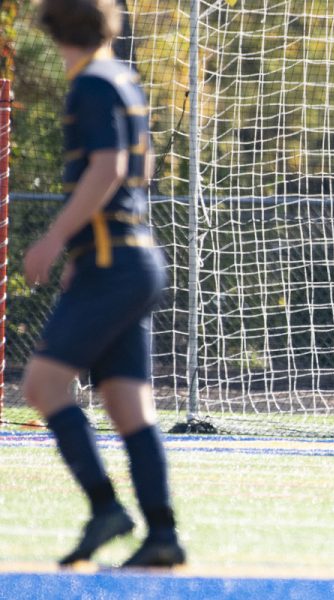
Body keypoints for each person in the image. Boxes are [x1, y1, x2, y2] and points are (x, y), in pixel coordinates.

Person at [23, 0, 185, 567]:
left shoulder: (90, 83)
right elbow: (137, 172)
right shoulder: (123, 77)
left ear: (55, 31)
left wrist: (54, 238)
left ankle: (105, 508)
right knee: (128, 406)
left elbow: (109, 167)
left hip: (115, 262)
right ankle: (162, 534)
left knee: (41, 388)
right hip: (131, 257)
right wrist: (84, 246)